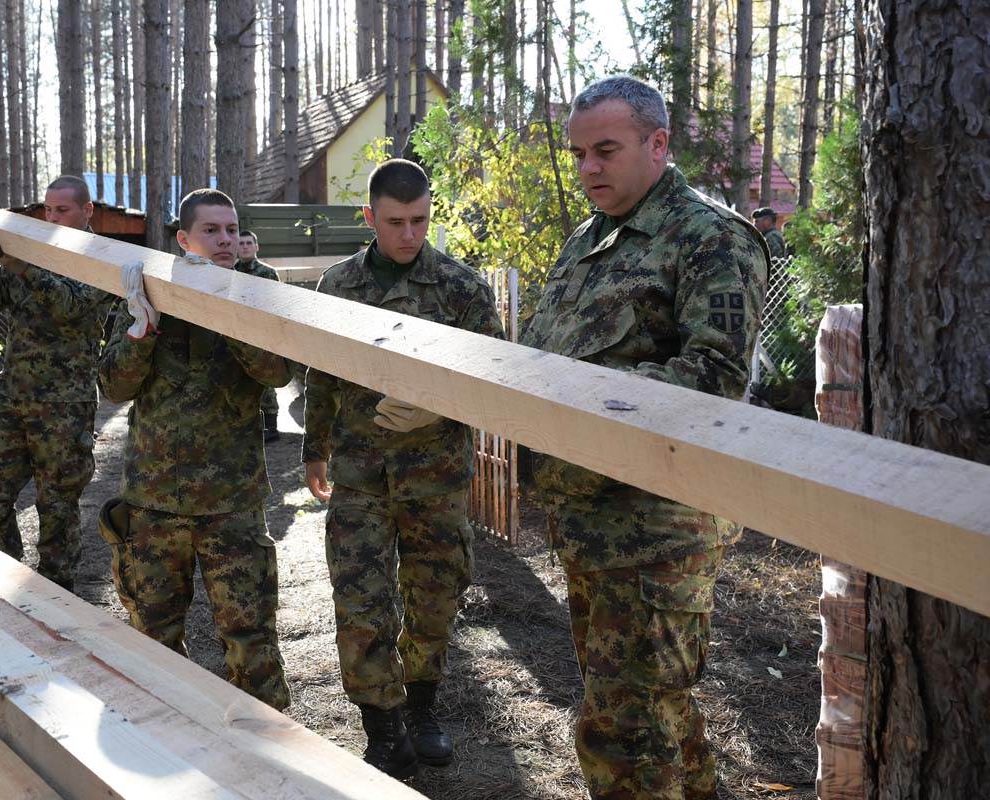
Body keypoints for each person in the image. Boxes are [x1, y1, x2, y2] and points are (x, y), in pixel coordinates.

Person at [519, 76, 768, 799]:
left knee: (624, 736)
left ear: (658, 145)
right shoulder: (589, 239)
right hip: (590, 525)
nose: (589, 168)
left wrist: (578, 401)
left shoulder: (710, 237)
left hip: (659, 531)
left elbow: (714, 376)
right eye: (579, 155)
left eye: (606, 150)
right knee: (658, 717)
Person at [302, 159, 505, 779]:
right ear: (370, 218)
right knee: (361, 602)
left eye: (419, 220)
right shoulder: (337, 287)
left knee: (434, 599)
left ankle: (422, 710)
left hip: (434, 478)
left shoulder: (462, 289)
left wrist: (437, 407)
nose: (409, 234)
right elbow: (321, 376)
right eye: (395, 222)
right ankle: (384, 728)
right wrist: (314, 450)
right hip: (361, 477)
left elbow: (494, 379)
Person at [96, 188, 292, 710]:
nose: (226, 239)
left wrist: (231, 313)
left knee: (251, 642)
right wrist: (143, 330)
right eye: (212, 230)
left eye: (231, 229)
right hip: (154, 502)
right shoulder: (149, 286)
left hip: (232, 502)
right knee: (152, 641)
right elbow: (113, 388)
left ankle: (270, 760)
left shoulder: (258, 285)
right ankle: (167, 746)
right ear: (184, 239)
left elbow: (278, 371)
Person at [0, 175, 113, 589]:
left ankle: (56, 595)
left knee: (57, 506)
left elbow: (70, 308)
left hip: (65, 403)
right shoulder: (27, 251)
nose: (52, 216)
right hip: (12, 394)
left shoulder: (100, 259)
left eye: (62, 210)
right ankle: (1, 581)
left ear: (87, 212)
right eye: (47, 209)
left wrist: (20, 265)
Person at [235, 229, 283, 442]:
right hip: (235, 332)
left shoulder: (268, 273)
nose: (245, 246)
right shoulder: (229, 272)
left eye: (248, 243)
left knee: (265, 381)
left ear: (256, 247)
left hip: (261, 334)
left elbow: (276, 304)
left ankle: (271, 428)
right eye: (241, 243)